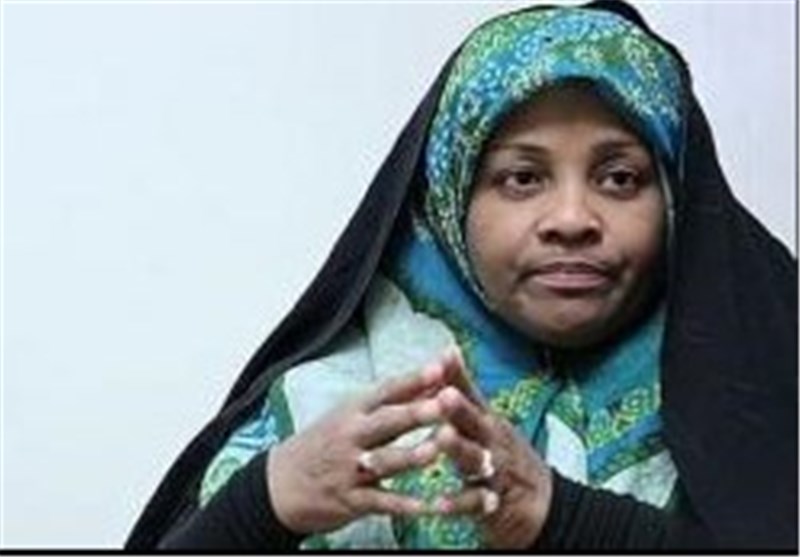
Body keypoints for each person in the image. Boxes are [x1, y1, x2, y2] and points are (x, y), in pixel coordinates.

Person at [125, 0, 797, 551]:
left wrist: (561, 518)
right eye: (522, 178)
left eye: (619, 178)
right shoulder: (320, 418)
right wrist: (262, 503)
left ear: (676, 200)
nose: (571, 218)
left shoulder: (770, 392)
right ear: (448, 203)